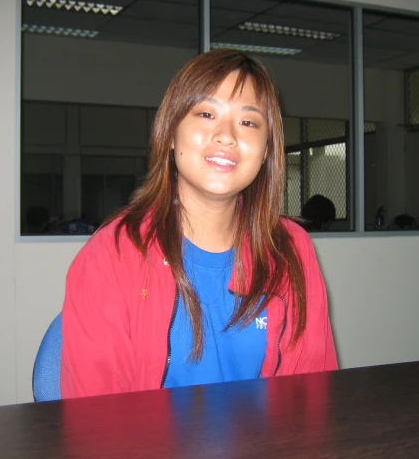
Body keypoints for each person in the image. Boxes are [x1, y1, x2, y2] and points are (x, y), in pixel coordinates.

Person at [60, 49, 338, 399]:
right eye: (206, 113)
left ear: (267, 149)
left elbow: (311, 400)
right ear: (171, 133)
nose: (226, 136)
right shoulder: (113, 254)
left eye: (248, 122)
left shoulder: (290, 249)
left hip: (267, 453)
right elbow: (96, 424)